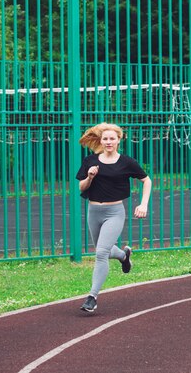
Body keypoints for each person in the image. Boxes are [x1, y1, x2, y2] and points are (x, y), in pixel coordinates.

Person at [76, 123, 152, 313]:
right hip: (93, 211)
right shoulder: (90, 160)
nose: (108, 142)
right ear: (101, 141)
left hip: (114, 212)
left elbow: (146, 180)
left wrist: (143, 204)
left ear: (119, 140)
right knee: (105, 250)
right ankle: (123, 255)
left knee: (101, 253)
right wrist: (90, 176)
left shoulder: (126, 162)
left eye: (112, 139)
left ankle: (92, 297)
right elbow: (81, 188)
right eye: (105, 139)